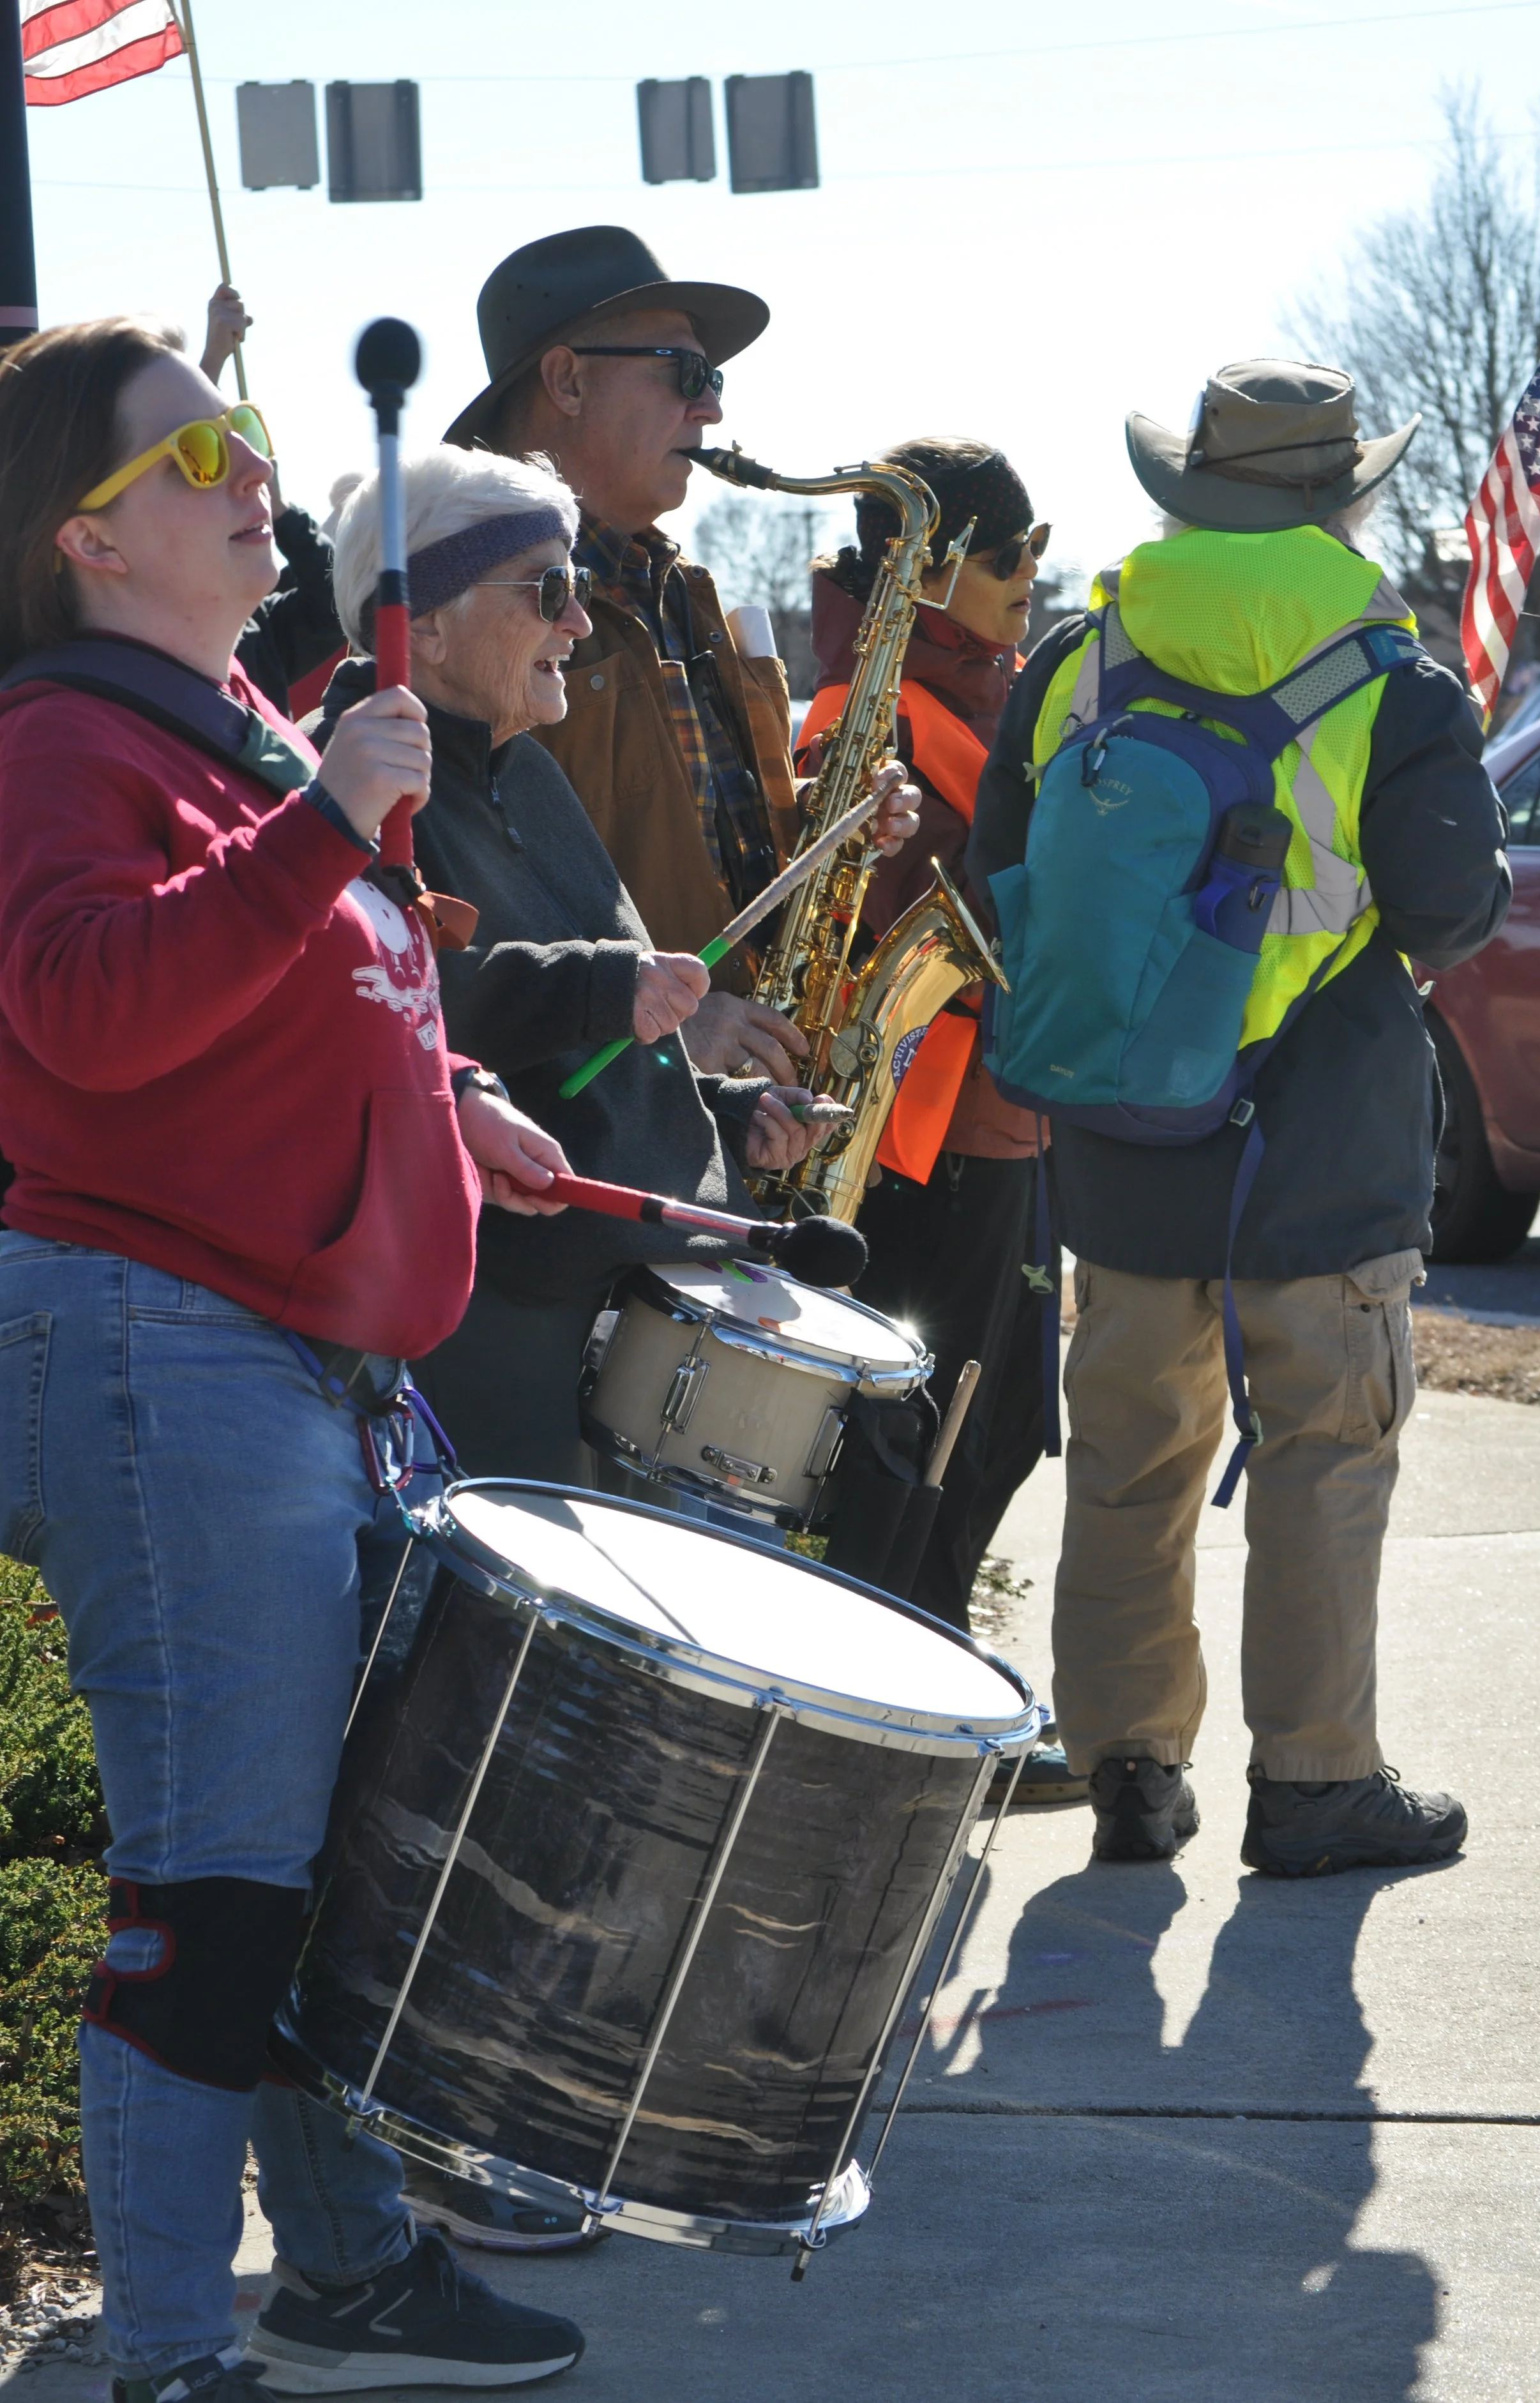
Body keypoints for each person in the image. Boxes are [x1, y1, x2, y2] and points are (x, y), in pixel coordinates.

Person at [0, 315, 589, 2401]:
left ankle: (347, 2265)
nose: (250, 471)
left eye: (246, 436)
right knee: (215, 1889)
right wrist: (329, 814)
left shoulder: (228, 720)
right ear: (87, 539)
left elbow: (305, 990)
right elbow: (82, 1012)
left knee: (311, 1875)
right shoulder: (68, 740)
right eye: (198, 456)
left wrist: (453, 1104)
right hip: (169, 1362)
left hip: (275, 1359)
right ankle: (170, 2352)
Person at [969, 359, 1511, 1873]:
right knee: (1327, 1452)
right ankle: (1316, 1779)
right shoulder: (1392, 675)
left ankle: (1130, 1767)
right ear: (1342, 494)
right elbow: (1452, 911)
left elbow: (996, 866)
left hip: (1126, 1132)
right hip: (1319, 1136)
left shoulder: (1084, 648)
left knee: (1132, 1456)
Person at [318, 444, 828, 1496]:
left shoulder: (529, 770)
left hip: (612, 1293)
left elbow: (576, 1068)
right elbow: (384, 1017)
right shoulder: (351, 778)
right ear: (423, 622)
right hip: (481, 1317)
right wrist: (601, 983)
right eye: (550, 590)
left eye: (581, 588)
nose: (580, 622)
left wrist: (728, 1112)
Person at [443, 224, 916, 1081]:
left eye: (715, 380)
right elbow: (449, 927)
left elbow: (682, 820)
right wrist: (653, 1040)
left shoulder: (676, 583)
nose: (713, 409)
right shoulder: (470, 601)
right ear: (567, 379)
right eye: (686, 374)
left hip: (746, 1100)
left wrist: (831, 818)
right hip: (606, 1130)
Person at [801, 437, 1081, 1805]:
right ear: (927, 567)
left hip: (1005, 1122)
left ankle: (936, 1688)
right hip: (922, 1143)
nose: (1028, 580)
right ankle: (899, 1719)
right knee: (922, 1440)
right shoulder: (864, 713)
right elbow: (856, 925)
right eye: (1005, 554)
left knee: (1008, 1421)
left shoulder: (991, 699)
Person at [197, 283, 345, 716]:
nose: (258, 470)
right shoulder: (139, 641)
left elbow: (338, 600)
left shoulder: (261, 629)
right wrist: (209, 365)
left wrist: (280, 512)